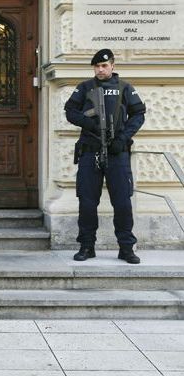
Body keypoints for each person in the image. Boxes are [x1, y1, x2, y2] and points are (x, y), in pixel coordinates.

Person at [64, 49, 146, 264]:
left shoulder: (125, 88)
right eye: (97, 66)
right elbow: (70, 111)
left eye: (104, 65)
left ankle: (126, 248)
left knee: (122, 202)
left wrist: (123, 137)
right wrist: (88, 122)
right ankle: (87, 246)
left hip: (117, 152)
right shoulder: (85, 88)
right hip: (90, 151)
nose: (101, 69)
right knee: (88, 201)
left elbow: (138, 114)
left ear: (113, 66)